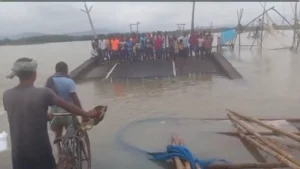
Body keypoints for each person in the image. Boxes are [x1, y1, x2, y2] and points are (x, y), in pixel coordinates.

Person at [3, 58, 101, 169]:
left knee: (57, 136)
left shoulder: (6, 95)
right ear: (34, 74)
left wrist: (44, 116)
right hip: (41, 152)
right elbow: (70, 107)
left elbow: (21, 113)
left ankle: (62, 154)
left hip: (18, 153)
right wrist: (87, 114)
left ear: (18, 75)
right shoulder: (44, 93)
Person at [45, 61, 88, 160]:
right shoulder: (69, 81)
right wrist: (83, 114)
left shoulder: (50, 80)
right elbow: (75, 99)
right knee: (74, 133)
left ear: (56, 70)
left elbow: (46, 98)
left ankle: (61, 154)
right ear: (66, 70)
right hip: (68, 111)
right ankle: (74, 153)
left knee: (58, 134)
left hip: (54, 112)